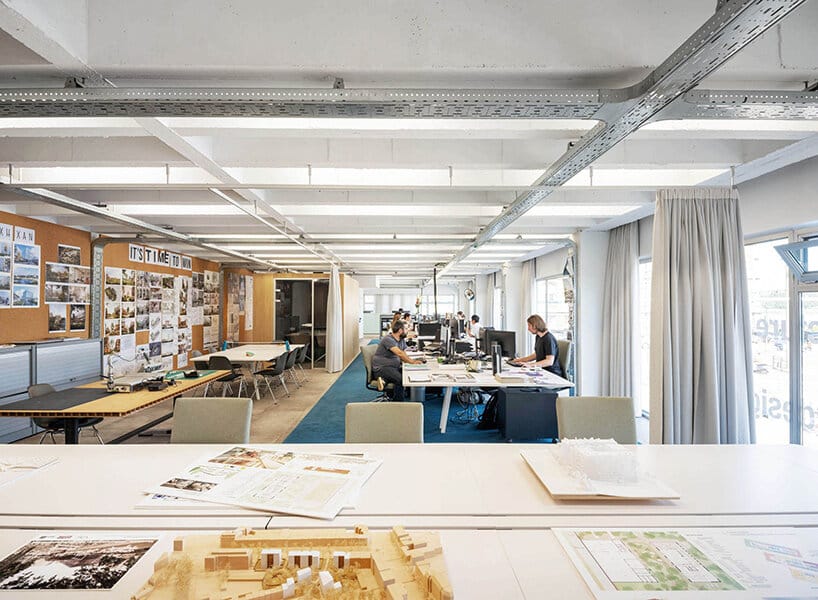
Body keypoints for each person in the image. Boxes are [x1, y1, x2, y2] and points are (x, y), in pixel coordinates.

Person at [372, 319, 425, 401]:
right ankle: (398, 403)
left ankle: (383, 381)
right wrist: (412, 362)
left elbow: (403, 353)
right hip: (382, 367)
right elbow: (399, 353)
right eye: (406, 329)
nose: (408, 331)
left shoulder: (401, 340)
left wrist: (412, 362)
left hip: (393, 367)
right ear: (400, 330)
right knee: (401, 380)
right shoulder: (388, 339)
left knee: (406, 374)